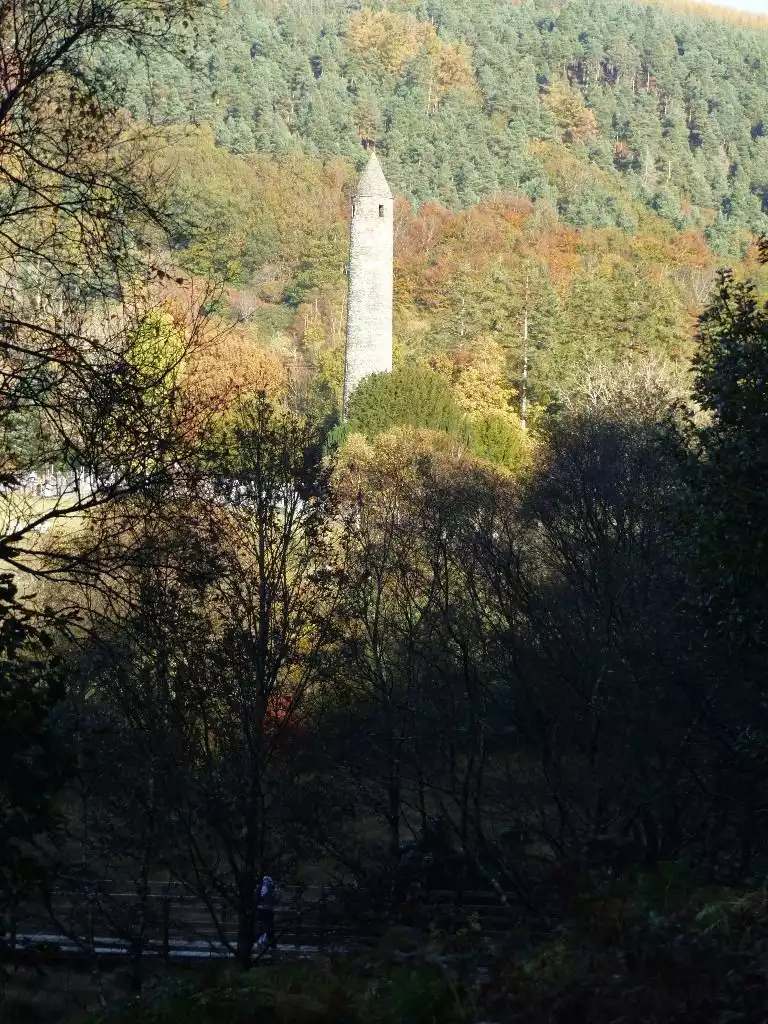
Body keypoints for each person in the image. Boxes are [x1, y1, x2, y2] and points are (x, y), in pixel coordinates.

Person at [256, 875, 277, 948]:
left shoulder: (262, 888)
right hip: (267, 910)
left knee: (263, 926)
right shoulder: (271, 889)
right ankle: (266, 942)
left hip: (262, 909)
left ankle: (262, 941)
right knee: (268, 926)